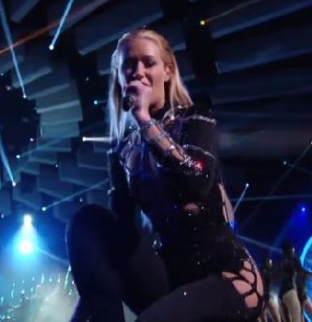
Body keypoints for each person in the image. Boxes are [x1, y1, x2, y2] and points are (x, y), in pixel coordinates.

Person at [66, 28, 264, 322]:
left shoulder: (195, 119)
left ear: (168, 71)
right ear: (119, 77)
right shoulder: (122, 150)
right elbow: (120, 238)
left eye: (148, 62)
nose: (138, 71)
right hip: (171, 281)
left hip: (225, 276)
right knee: (88, 223)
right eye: (129, 65)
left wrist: (144, 119)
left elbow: (196, 182)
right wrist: (91, 300)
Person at [259, 257, 283, 322]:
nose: (271, 263)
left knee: (267, 317)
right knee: (275, 316)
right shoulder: (264, 272)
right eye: (270, 262)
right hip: (264, 296)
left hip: (263, 296)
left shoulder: (263, 271)